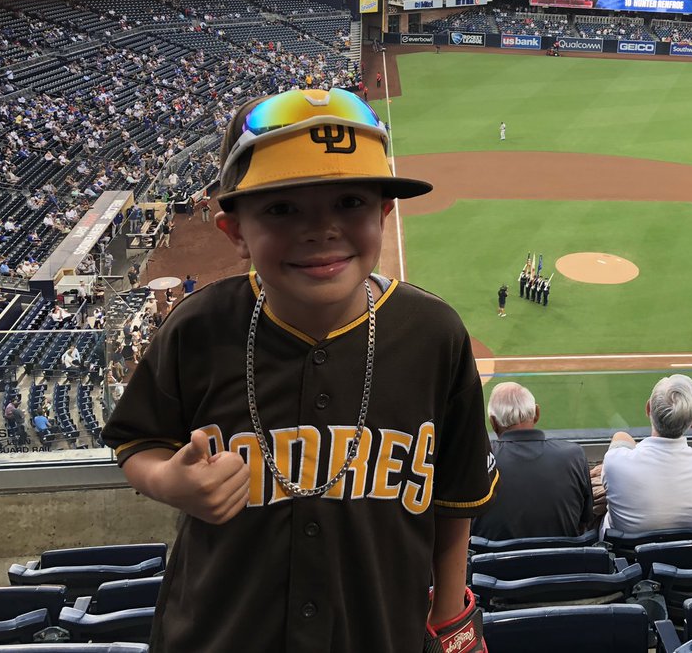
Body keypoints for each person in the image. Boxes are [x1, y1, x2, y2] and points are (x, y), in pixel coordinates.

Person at [101, 87, 498, 653]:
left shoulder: (434, 335)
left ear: (385, 212)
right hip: (222, 632)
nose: (322, 229)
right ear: (235, 230)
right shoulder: (198, 327)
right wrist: (169, 481)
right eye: (283, 207)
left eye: (351, 202)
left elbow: (456, 496)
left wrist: (450, 616)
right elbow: (137, 440)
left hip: (380, 632)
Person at [472, 382, 594, 541]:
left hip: (492, 564)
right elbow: (585, 521)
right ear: (536, 413)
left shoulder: (476, 460)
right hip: (562, 563)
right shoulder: (574, 456)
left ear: (493, 422)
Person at [600, 374, 692, 535]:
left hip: (626, 557)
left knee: (621, 437)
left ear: (648, 409)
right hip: (690, 557)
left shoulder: (615, 461)